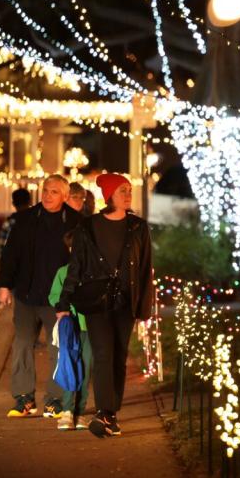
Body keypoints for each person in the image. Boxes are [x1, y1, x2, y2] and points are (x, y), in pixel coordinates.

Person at [57, 173, 154, 438]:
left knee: (118, 355)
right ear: (109, 195)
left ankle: (111, 413)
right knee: (102, 354)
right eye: (122, 190)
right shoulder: (87, 227)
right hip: (96, 301)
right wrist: (63, 302)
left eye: (129, 190)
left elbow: (146, 270)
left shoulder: (138, 227)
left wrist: (145, 307)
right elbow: (75, 267)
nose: (127, 194)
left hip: (126, 302)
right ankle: (104, 412)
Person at [0, 174, 82, 418]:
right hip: (26, 294)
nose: (47, 195)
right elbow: (10, 254)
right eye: (45, 190)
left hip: (56, 299)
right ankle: (23, 397)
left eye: (54, 192)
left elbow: (80, 263)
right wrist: (4, 285)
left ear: (65, 197)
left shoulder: (76, 222)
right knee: (22, 344)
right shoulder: (26, 219)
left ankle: (54, 399)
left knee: (57, 348)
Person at [47, 230, 93, 431]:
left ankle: (80, 412)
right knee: (68, 364)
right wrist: (62, 307)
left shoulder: (94, 271)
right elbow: (54, 296)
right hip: (70, 327)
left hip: (90, 328)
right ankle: (67, 410)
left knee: (86, 368)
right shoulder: (63, 272)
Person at [0, 188, 32, 252]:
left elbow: (3, 248)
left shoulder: (9, 223)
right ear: (29, 201)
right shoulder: (37, 221)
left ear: (13, 203)